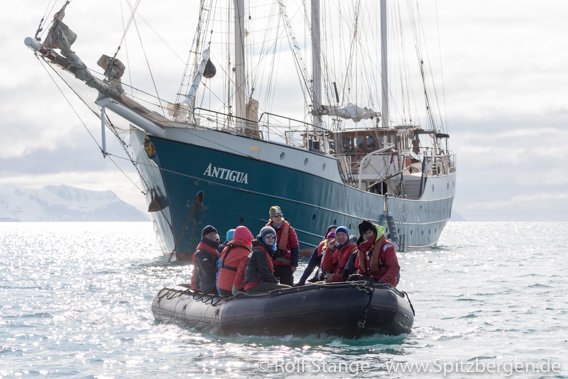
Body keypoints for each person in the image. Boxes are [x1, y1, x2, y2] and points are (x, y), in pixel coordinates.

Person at [243, 226, 290, 293]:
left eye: (273, 237)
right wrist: (276, 282)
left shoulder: (262, 251)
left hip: (258, 283)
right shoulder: (259, 252)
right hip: (255, 285)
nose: (270, 238)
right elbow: (264, 272)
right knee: (288, 289)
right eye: (268, 236)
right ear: (262, 238)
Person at [355, 220, 400, 287]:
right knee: (353, 278)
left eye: (369, 232)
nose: (368, 235)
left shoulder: (387, 247)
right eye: (365, 233)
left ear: (374, 232)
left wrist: (382, 282)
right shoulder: (363, 248)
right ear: (362, 235)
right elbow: (362, 270)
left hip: (384, 282)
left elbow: (394, 267)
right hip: (371, 281)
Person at [266, 206, 299, 286]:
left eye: (280, 216)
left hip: (286, 265)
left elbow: (295, 247)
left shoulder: (289, 229)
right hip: (272, 264)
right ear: (271, 217)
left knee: (287, 287)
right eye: (276, 216)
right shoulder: (266, 229)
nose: (279, 218)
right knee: (270, 286)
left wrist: (294, 264)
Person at [216, 226, 254, 297]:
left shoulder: (226, 248)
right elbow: (240, 273)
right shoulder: (245, 253)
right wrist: (235, 288)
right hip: (232, 287)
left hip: (221, 284)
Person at [191, 225, 221, 294]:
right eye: (210, 235)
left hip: (216, 284)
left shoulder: (215, 250)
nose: (213, 236)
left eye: (214, 234)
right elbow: (208, 272)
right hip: (209, 287)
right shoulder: (201, 253)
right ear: (205, 237)